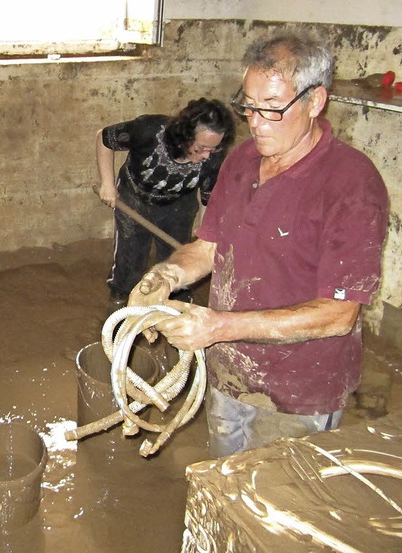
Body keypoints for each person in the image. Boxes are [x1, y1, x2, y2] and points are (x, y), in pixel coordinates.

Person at [128, 32, 389, 458]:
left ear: (315, 100)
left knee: (277, 508)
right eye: (249, 105)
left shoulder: (352, 185)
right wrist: (166, 274)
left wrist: (217, 326)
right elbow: (209, 247)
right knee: (225, 483)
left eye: (272, 108)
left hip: (297, 392)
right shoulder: (242, 160)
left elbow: (340, 315)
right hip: (229, 371)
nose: (256, 122)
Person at [96, 98, 235, 312]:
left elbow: (209, 201)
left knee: (178, 257)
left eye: (213, 149)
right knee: (131, 253)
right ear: (184, 137)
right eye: (201, 148)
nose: (207, 155)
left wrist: (202, 240)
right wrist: (107, 184)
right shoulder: (148, 131)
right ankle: (120, 298)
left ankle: (174, 303)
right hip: (134, 198)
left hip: (179, 205)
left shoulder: (213, 159)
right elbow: (104, 138)